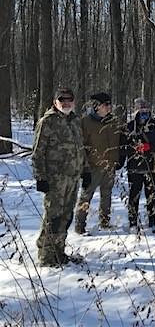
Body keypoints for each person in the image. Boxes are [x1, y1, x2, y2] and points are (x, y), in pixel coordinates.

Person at [32, 87, 89, 267]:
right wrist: (40, 177)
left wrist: (85, 170)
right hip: (55, 179)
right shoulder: (47, 122)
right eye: (62, 100)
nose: (66, 103)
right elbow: (38, 153)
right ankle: (46, 255)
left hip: (72, 178)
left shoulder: (74, 121)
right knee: (53, 217)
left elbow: (80, 148)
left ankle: (59, 251)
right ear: (55, 102)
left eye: (69, 100)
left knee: (66, 216)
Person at [75, 92, 125, 234]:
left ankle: (105, 222)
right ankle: (80, 226)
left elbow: (120, 140)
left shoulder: (114, 121)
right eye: (106, 105)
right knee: (86, 197)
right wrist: (84, 168)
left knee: (107, 195)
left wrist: (119, 158)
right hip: (92, 167)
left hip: (110, 166)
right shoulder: (85, 122)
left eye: (110, 104)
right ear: (96, 106)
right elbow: (81, 147)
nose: (109, 108)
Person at [124, 98, 155, 232]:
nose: (144, 112)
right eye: (141, 110)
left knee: (151, 195)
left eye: (147, 110)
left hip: (151, 167)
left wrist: (150, 147)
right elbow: (123, 146)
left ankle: (152, 220)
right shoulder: (129, 127)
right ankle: (132, 222)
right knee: (134, 196)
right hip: (134, 168)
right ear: (136, 111)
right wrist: (135, 148)